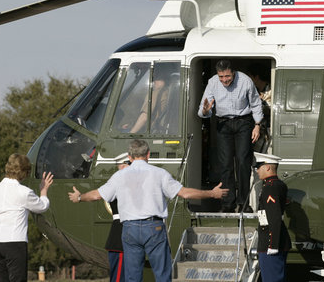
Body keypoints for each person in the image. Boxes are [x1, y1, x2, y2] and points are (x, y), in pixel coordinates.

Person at [68, 139, 229, 282]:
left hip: (129, 229)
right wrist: (212, 193)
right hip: (154, 227)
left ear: (130, 157)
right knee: (162, 275)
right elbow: (185, 193)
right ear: (148, 155)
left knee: (132, 277)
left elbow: (97, 195)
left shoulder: (119, 176)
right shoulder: (159, 174)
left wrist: (80, 197)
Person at [198, 59, 263, 213]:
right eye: (221, 77)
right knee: (225, 164)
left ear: (233, 73)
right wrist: (206, 111)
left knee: (242, 162)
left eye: (227, 76)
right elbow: (203, 109)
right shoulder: (213, 83)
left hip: (243, 123)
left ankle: (244, 203)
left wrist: (257, 125)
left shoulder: (245, 81)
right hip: (223, 124)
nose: (224, 80)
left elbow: (255, 103)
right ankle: (228, 203)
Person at [0, 153, 54, 282]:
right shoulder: (24, 192)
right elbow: (42, 206)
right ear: (24, 172)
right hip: (14, 243)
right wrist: (43, 190)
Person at [253, 152, 291, 282]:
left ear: (268, 167)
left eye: (259, 167)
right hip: (273, 239)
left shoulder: (270, 187)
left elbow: (274, 217)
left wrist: (273, 244)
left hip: (271, 242)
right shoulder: (276, 184)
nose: (257, 170)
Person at [104, 152, 130, 282]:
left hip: (122, 235)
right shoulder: (120, 183)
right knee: (119, 277)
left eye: (119, 165)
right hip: (121, 235)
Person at [129, 69, 169, 133]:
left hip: (152, 132)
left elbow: (144, 117)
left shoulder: (155, 93)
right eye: (154, 79)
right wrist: (131, 125)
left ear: (164, 81)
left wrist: (131, 133)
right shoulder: (167, 93)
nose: (154, 82)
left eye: (158, 78)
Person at [247, 64, 272, 153]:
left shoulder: (271, 91)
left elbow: (270, 110)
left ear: (256, 77)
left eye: (250, 77)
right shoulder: (254, 91)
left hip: (267, 131)